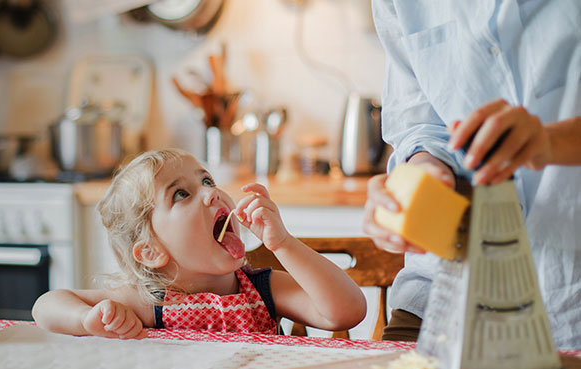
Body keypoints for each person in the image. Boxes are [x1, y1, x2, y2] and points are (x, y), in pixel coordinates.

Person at [365, 1, 581, 347]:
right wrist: (425, 176)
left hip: (569, 306)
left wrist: (551, 141)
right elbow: (419, 124)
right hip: (440, 301)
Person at [33, 149, 366, 339]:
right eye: (181, 194)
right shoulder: (149, 303)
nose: (211, 193)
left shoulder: (262, 290)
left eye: (206, 180)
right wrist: (87, 319)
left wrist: (284, 244)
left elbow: (346, 312)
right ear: (151, 251)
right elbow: (46, 306)